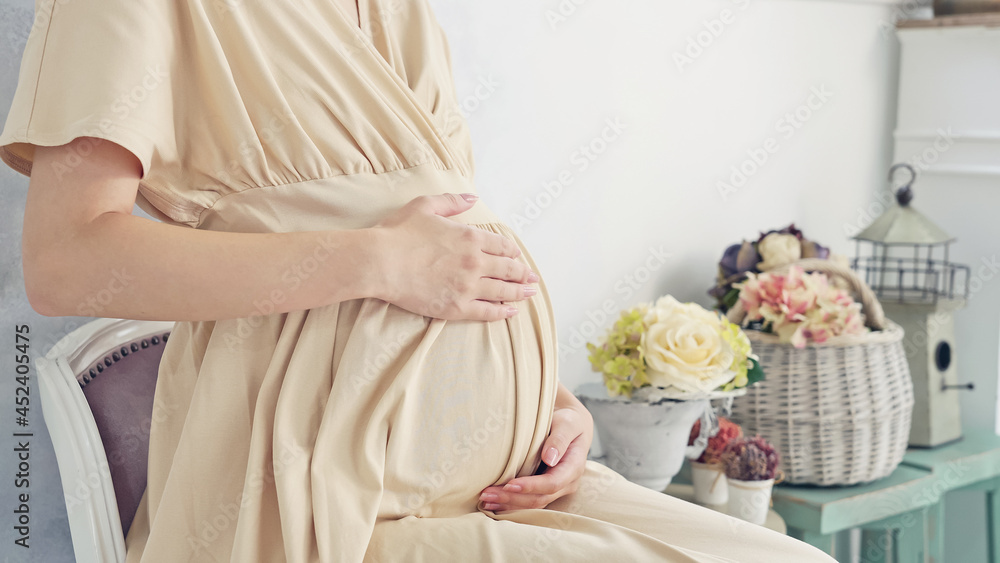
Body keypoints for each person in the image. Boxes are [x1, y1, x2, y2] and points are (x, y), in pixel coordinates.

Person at [1, 0, 837, 560]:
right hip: (325, 494)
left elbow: (442, 228)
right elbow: (68, 261)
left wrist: (545, 404)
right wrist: (379, 260)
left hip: (505, 482)